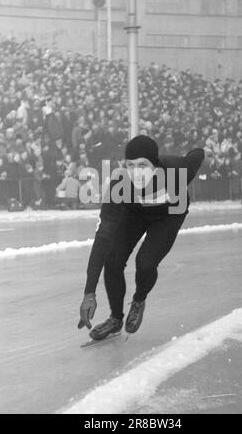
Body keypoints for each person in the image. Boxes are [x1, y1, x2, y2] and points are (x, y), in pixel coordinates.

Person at [78, 135, 205, 341]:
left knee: (145, 263)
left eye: (142, 166)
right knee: (112, 259)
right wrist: (89, 292)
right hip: (135, 212)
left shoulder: (177, 171)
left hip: (169, 214)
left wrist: (200, 149)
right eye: (130, 166)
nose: (136, 173)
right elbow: (102, 238)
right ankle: (115, 318)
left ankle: (139, 300)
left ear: (155, 166)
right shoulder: (118, 185)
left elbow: (197, 155)